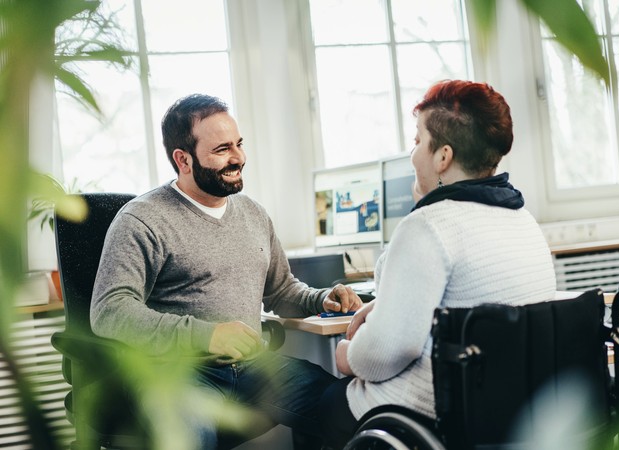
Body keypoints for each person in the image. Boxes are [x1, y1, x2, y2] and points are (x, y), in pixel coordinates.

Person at [90, 93, 362, 448]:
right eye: (222, 149)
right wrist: (207, 336)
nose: (239, 158)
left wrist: (322, 298)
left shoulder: (252, 213)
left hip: (253, 367)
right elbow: (109, 311)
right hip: (177, 373)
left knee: (344, 408)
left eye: (239, 144)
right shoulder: (142, 220)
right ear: (183, 159)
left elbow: (281, 292)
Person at [317, 79, 557, 449]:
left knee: (319, 411)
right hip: (514, 406)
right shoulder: (523, 219)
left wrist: (347, 356)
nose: (412, 154)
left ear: (443, 157)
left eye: (417, 141)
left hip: (436, 408)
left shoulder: (429, 225)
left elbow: (385, 353)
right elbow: (471, 300)